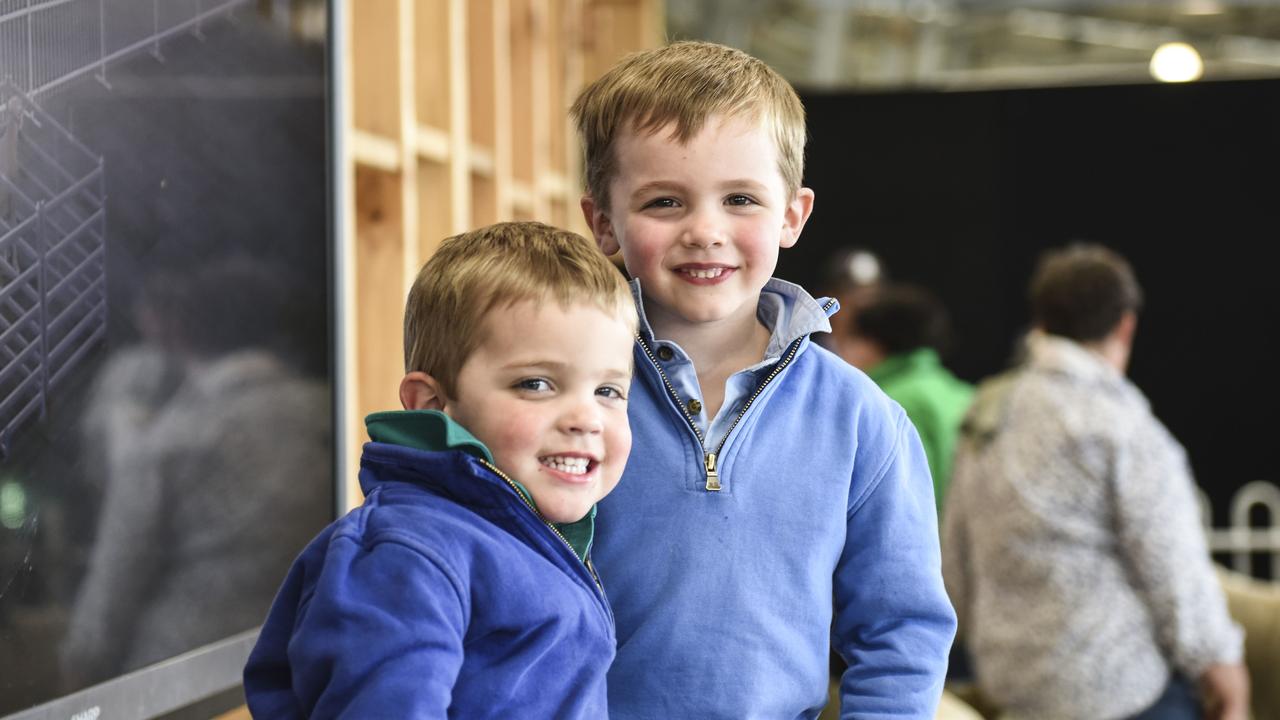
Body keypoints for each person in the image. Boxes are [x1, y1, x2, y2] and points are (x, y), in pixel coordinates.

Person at [572, 41, 956, 718]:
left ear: (792, 215)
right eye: (665, 201)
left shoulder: (860, 419)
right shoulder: (566, 401)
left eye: (740, 199)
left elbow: (901, 633)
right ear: (603, 222)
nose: (705, 231)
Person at [242, 222, 638, 718]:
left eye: (608, 391)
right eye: (536, 384)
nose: (585, 419)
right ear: (433, 403)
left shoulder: (524, 534)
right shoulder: (410, 552)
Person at [942, 243, 1249, 720]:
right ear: (1126, 324)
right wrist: (1225, 670)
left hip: (1015, 692)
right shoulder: (1122, 426)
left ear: (1040, 322)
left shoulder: (987, 414)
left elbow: (954, 567)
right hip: (1121, 692)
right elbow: (1173, 569)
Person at [832, 283, 973, 514]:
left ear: (874, 343)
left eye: (850, 339)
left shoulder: (888, 404)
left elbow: (905, 504)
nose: (841, 351)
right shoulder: (960, 392)